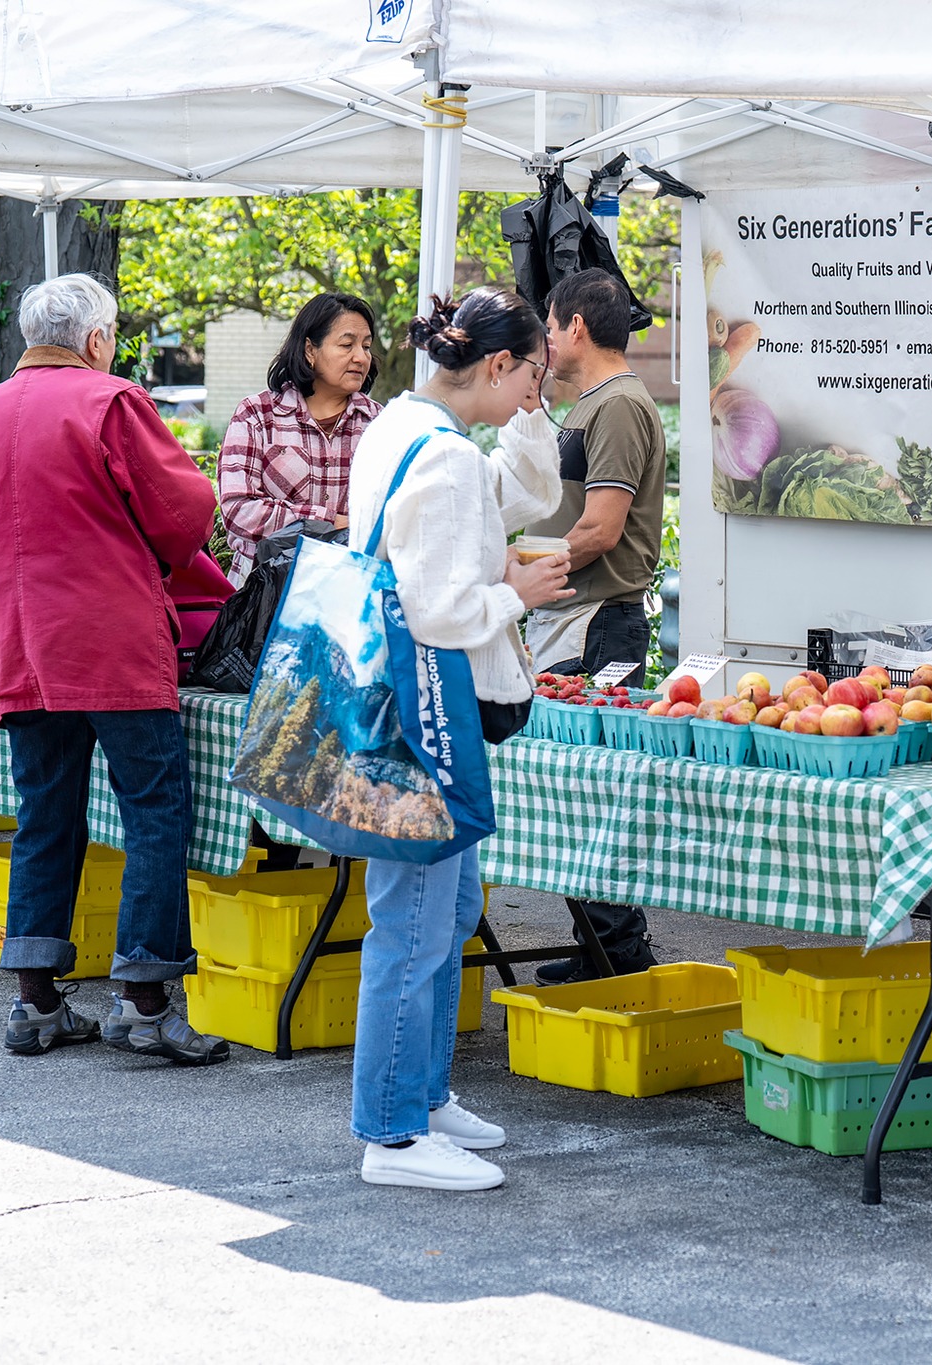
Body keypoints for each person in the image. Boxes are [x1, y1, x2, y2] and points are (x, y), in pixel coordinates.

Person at [0, 272, 229, 1066]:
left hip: (20, 640)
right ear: (97, 339)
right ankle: (144, 1002)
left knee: (44, 812)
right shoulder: (110, 400)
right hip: (108, 639)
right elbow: (184, 513)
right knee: (153, 810)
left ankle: (36, 1001)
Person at [346, 287, 571, 1191]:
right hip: (424, 712)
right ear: (496, 363)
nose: (531, 392)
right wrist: (519, 592)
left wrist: (532, 411)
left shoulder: (406, 426)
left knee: (443, 908)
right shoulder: (443, 457)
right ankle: (393, 1134)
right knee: (414, 921)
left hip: (404, 706)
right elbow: (439, 610)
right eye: (528, 376)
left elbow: (520, 493)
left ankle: (424, 1098)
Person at [523, 267, 670, 984]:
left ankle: (619, 952)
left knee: (591, 793)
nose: (546, 341)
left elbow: (601, 529)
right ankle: (605, 947)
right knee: (577, 793)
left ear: (576, 326)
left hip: (598, 622)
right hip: (574, 615)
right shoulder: (590, 404)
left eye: (550, 327)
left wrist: (518, 571)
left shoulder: (617, 405)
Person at [217, 292, 382, 581]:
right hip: (263, 593)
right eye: (347, 345)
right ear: (310, 350)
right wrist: (327, 522)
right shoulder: (257, 415)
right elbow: (238, 510)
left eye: (366, 346)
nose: (360, 357)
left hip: (348, 589)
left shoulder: (380, 425)